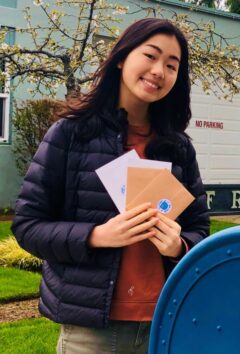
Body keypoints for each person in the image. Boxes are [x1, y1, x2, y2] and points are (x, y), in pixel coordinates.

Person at [11, 18, 209, 354]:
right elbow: (28, 225)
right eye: (150, 55)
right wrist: (96, 236)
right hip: (91, 331)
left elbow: (199, 228)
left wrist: (179, 246)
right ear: (121, 57)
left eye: (172, 65)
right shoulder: (71, 133)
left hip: (165, 322)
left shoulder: (178, 147)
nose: (159, 71)